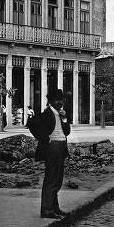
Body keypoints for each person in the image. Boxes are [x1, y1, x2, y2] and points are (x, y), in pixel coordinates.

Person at [26, 89, 71, 219]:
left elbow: (67, 132)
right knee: (51, 179)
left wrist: (64, 119)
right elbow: (32, 124)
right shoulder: (46, 114)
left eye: (61, 99)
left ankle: (54, 207)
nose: (60, 102)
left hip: (61, 147)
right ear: (50, 101)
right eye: (57, 100)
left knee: (57, 179)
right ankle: (46, 210)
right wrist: (45, 139)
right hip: (52, 148)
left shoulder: (60, 114)